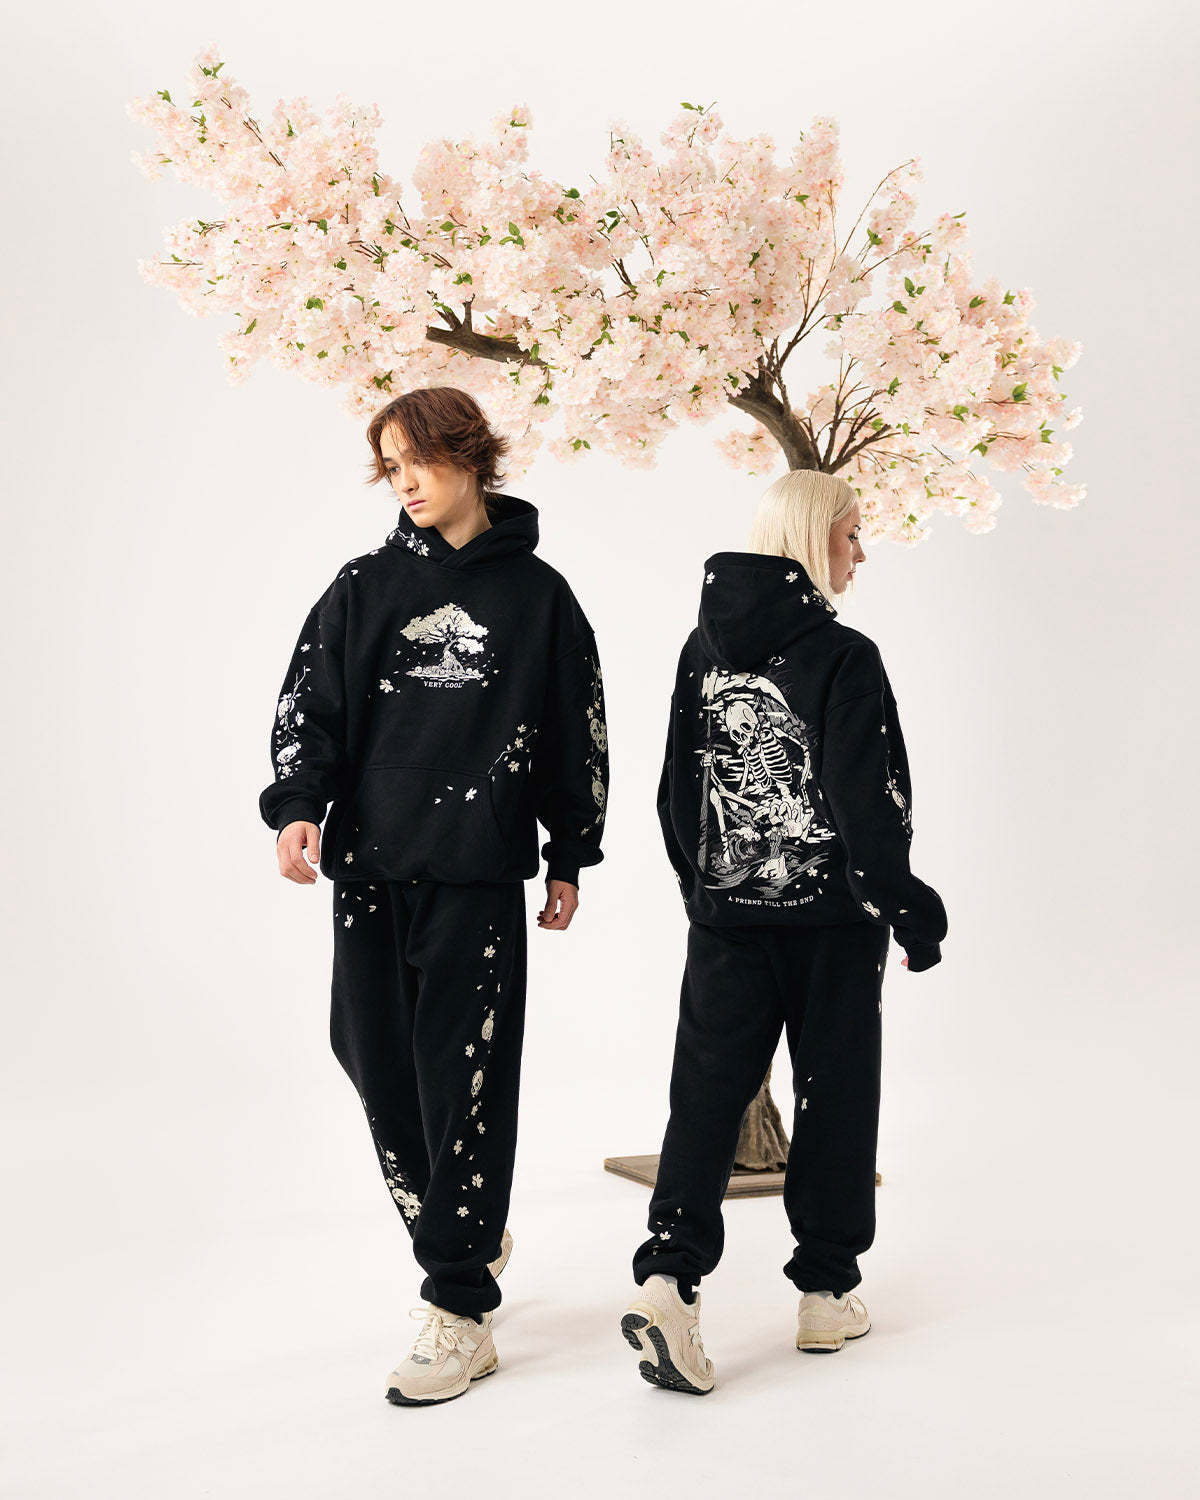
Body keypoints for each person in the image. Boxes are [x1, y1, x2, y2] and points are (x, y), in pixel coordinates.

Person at [259, 385, 609, 1406]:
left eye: (419, 460)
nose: (405, 482)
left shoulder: (539, 599)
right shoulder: (363, 586)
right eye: (391, 465)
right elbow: (310, 706)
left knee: (467, 1082)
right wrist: (298, 806)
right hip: (369, 868)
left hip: (477, 874)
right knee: (369, 1055)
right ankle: (466, 1230)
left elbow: (577, 730)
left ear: (471, 457)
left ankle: (458, 1303)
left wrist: (570, 851)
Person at [620, 470, 947, 1394]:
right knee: (835, 1092)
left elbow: (675, 788)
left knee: (704, 1097)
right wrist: (909, 907)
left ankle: (668, 1277)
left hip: (725, 917)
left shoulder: (701, 650)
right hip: (834, 923)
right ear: (812, 539)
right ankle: (826, 1292)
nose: (861, 552)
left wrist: (705, 891)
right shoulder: (846, 656)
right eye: (851, 534)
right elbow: (867, 802)